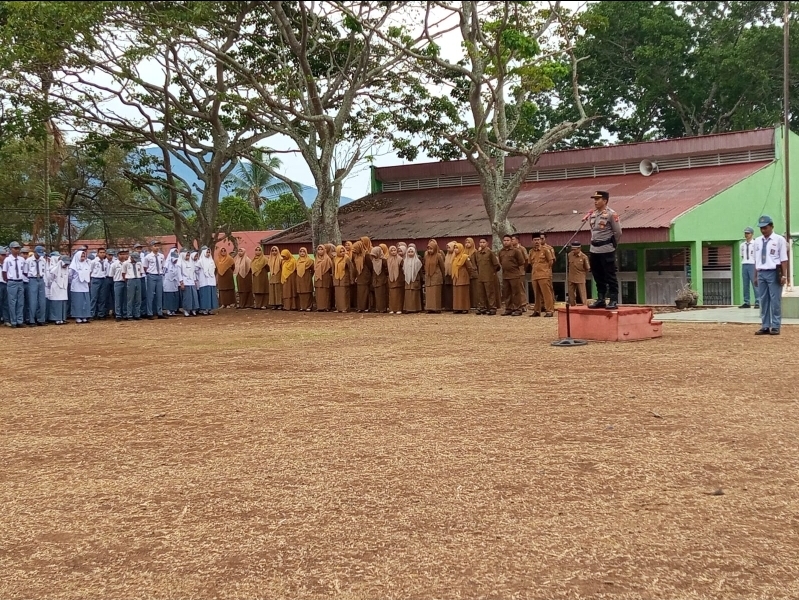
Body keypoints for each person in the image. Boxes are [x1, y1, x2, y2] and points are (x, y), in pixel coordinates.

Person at [585, 190, 622, 309]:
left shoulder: (611, 214)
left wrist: (612, 245)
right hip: (594, 249)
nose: (595, 201)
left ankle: (613, 299)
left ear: (605, 201)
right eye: (594, 199)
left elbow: (618, 232)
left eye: (598, 199)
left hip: (606, 249)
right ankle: (601, 298)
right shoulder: (593, 214)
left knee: (610, 275)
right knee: (597, 275)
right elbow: (593, 231)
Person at [753, 215, 788, 335]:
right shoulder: (757, 241)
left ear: (771, 226)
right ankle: (765, 325)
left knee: (775, 300)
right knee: (763, 300)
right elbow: (756, 260)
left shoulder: (779, 240)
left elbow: (784, 259)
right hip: (761, 271)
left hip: (774, 271)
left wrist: (784, 275)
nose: (763, 230)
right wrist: (756, 275)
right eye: (761, 228)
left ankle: (776, 325)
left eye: (765, 227)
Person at [498, 234, 526, 316]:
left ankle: (517, 309)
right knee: (506, 293)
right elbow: (501, 262)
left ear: (511, 241)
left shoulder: (516, 251)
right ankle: (508, 308)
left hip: (514, 275)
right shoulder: (501, 252)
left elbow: (521, 262)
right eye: (504, 240)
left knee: (516, 293)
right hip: (505, 275)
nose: (506, 242)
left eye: (508, 240)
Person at [528, 233, 555, 317]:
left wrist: (546, 270)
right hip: (535, 275)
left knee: (547, 294)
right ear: (532, 241)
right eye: (535, 240)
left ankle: (549, 310)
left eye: (538, 240)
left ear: (541, 240)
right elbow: (530, 263)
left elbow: (551, 261)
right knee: (536, 294)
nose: (537, 242)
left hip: (544, 275)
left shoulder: (546, 250)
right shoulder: (531, 251)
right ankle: (537, 310)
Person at [473, 238, 500, 315]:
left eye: (483, 242)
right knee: (481, 293)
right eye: (480, 242)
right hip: (480, 276)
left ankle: (492, 308)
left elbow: (496, 264)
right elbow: (475, 264)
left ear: (487, 243)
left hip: (489, 276)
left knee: (490, 293)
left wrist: (492, 273)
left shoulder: (490, 253)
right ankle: (482, 307)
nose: (482, 244)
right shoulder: (477, 253)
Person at [3, 242, 26, 327]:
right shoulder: (8, 260)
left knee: (20, 302)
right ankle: (13, 321)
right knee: (12, 302)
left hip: (20, 281)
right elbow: (4, 271)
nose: (17, 250)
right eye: (15, 248)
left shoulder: (21, 259)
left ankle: (19, 321)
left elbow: (24, 271)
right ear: (11, 249)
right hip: (12, 281)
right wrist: (8, 280)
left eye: (18, 248)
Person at [141, 240, 166, 319]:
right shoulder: (148, 257)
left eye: (158, 246)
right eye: (155, 246)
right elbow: (145, 267)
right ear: (151, 247)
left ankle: (159, 312)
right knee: (150, 295)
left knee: (159, 294)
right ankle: (149, 313)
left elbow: (163, 265)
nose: (157, 247)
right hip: (151, 275)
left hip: (159, 275)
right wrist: (149, 273)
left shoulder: (161, 256)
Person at [26, 245, 48, 326]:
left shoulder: (43, 260)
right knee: (33, 301)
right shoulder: (29, 260)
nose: (39, 256)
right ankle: (32, 320)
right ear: (35, 252)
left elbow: (45, 270)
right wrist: (31, 278)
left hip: (41, 279)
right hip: (33, 279)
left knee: (42, 301)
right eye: (38, 253)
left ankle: (41, 319)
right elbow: (25, 272)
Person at [451, 242, 476, 314]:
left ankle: (464, 308)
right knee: (457, 293)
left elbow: (470, 267)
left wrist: (470, 275)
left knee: (463, 293)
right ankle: (457, 307)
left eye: (457, 248)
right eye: (455, 248)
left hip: (463, 276)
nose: (455, 250)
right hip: (456, 277)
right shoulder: (454, 257)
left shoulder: (465, 257)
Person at [69, 249, 92, 324]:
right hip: (76, 286)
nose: (82, 258)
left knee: (85, 302)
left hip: (85, 286)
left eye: (84, 256)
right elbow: (70, 276)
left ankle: (85, 316)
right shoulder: (73, 266)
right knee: (78, 302)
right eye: (81, 256)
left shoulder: (87, 264)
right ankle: (78, 317)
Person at [424, 239, 446, 313]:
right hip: (428, 277)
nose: (430, 250)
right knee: (429, 294)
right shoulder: (426, 256)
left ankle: (436, 308)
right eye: (428, 249)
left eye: (431, 249)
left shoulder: (438, 255)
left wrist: (443, 277)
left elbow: (442, 267)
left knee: (436, 293)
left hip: (436, 277)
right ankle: (429, 308)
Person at [48, 255, 70, 325]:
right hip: (56, 287)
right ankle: (56, 318)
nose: (65, 265)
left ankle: (62, 318)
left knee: (63, 302)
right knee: (56, 302)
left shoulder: (66, 269)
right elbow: (50, 278)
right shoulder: (54, 268)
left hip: (63, 287)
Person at [740, 226, 758, 309]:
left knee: (755, 283)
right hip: (745, 264)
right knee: (745, 284)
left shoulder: (755, 244)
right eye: (745, 233)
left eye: (748, 233)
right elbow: (742, 255)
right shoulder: (742, 245)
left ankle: (758, 301)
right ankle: (746, 301)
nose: (746, 235)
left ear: (752, 234)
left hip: (752, 264)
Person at [567, 241, 590, 306]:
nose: (573, 251)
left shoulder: (584, 257)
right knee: (571, 293)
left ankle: (584, 306)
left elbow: (587, 268)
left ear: (579, 249)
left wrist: (583, 274)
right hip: (571, 276)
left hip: (580, 276)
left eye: (575, 249)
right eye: (572, 249)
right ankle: (573, 306)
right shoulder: (569, 255)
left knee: (582, 293)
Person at [122, 250, 143, 321]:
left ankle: (137, 314)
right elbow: (123, 273)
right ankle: (129, 315)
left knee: (138, 299)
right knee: (130, 299)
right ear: (131, 257)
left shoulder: (139, 263)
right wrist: (127, 280)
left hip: (138, 279)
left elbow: (141, 272)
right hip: (130, 280)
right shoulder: (126, 263)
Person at [352, 240, 372, 312]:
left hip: (365, 276)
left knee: (365, 292)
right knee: (360, 292)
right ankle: (360, 307)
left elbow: (370, 266)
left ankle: (366, 307)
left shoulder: (366, 255)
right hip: (359, 276)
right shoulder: (357, 256)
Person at [197, 247, 218, 315]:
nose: (208, 254)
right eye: (207, 252)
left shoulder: (211, 261)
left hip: (211, 280)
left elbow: (214, 269)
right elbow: (196, 270)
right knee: (205, 295)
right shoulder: (200, 261)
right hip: (204, 281)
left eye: (209, 252)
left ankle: (210, 309)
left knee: (211, 294)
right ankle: (204, 309)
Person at [510, 234, 529, 310]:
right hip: (511, 272)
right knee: (513, 289)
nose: (511, 241)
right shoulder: (510, 249)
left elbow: (526, 260)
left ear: (517, 240)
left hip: (520, 272)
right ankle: (514, 305)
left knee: (521, 288)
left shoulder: (521, 249)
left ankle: (523, 305)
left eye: (513, 240)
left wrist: (523, 269)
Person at [403, 245, 424, 313]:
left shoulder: (417, 261)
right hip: (407, 280)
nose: (410, 253)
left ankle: (416, 308)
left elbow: (420, 272)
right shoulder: (405, 261)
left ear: (415, 252)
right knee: (408, 294)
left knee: (415, 294)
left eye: (412, 251)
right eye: (409, 251)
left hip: (415, 279)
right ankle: (408, 308)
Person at [332, 245, 353, 312]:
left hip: (344, 278)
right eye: (340, 251)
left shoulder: (347, 258)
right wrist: (334, 278)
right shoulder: (335, 259)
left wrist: (351, 279)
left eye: (343, 251)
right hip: (337, 278)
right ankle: (338, 308)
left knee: (344, 294)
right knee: (338, 295)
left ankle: (345, 308)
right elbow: (333, 269)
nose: (342, 253)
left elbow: (351, 269)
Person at [179, 249, 199, 317]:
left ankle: (193, 310)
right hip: (185, 281)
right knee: (187, 297)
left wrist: (195, 281)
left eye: (188, 255)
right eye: (186, 255)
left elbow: (193, 272)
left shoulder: (191, 262)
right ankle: (186, 310)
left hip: (192, 282)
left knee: (194, 296)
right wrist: (181, 282)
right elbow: (179, 273)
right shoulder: (180, 263)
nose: (188, 256)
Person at [110, 248, 128, 321]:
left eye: (124, 254)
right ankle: (118, 315)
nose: (122, 256)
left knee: (125, 299)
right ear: (118, 255)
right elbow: (111, 274)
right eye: (121, 254)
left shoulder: (127, 263)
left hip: (126, 282)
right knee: (117, 299)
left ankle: (125, 314)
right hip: (118, 282)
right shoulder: (114, 264)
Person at [314, 245, 333, 312]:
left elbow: (331, 268)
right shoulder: (316, 259)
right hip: (318, 278)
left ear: (324, 250)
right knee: (319, 292)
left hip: (325, 278)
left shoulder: (327, 259)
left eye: (321, 249)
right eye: (318, 249)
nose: (320, 251)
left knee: (325, 292)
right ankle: (319, 307)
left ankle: (326, 307)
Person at [162, 248, 181, 315]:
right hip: (168, 282)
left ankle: (173, 309)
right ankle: (168, 310)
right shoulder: (166, 264)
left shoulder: (177, 265)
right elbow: (163, 274)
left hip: (175, 282)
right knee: (168, 296)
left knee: (174, 295)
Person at [387, 246, 404, 314]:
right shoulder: (388, 260)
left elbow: (403, 269)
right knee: (392, 295)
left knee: (398, 295)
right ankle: (392, 308)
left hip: (398, 279)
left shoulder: (400, 259)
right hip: (391, 279)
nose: (393, 252)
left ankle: (398, 308)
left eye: (395, 250)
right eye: (392, 251)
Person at [370, 246, 388, 313]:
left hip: (382, 280)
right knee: (377, 295)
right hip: (375, 280)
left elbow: (387, 270)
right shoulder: (373, 261)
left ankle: (382, 308)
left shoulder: (383, 261)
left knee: (382, 295)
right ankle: (378, 308)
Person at [464, 237, 479, 309]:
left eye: (468, 242)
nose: (467, 244)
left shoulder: (475, 252)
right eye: (466, 243)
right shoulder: (464, 252)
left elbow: (477, 262)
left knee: (475, 289)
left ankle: (475, 304)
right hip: (466, 273)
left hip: (474, 272)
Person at [443, 241, 455, 311]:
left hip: (453, 275)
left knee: (453, 292)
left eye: (449, 247)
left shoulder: (455, 255)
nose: (448, 249)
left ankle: (453, 306)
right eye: (447, 248)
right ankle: (448, 306)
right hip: (447, 275)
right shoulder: (447, 255)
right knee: (448, 292)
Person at [0, 246, 8, 324]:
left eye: (5, 255)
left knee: (6, 302)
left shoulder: (6, 264)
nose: (4, 257)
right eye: (2, 255)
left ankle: (5, 319)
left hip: (6, 284)